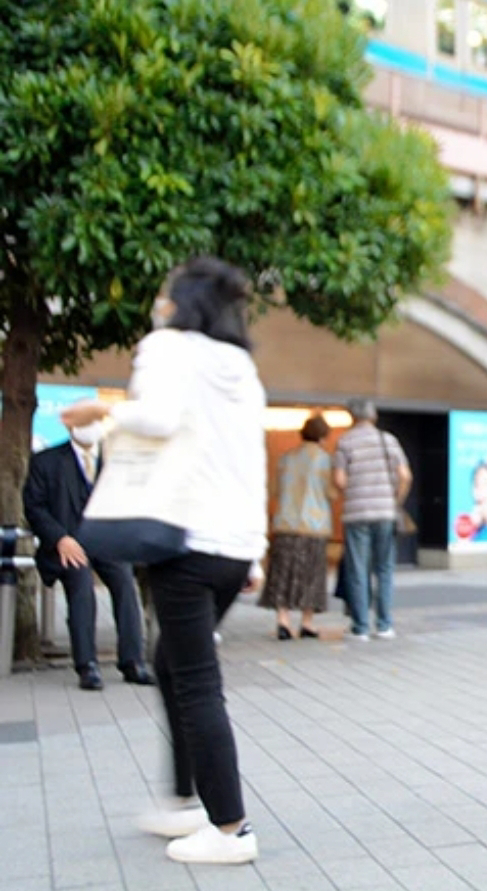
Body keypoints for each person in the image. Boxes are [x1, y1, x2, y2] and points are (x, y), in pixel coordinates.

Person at [62, 256, 266, 865]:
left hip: (187, 539)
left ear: (181, 303)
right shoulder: (239, 366)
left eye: (165, 295)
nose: (160, 304)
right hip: (233, 547)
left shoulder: (168, 347)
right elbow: (249, 459)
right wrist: (256, 550)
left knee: (196, 680)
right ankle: (185, 802)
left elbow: (157, 417)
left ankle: (230, 829)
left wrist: (102, 412)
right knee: (172, 665)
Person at [23, 424, 153, 691]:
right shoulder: (47, 461)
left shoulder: (113, 460)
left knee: (125, 584)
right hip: (68, 543)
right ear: (70, 426)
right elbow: (34, 507)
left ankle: (133, 661)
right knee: (81, 586)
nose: (89, 429)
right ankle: (87, 665)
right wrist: (60, 538)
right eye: (83, 423)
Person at [334, 399, 412, 641]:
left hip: (356, 513)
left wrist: (354, 490)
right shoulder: (389, 440)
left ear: (352, 416)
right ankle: (384, 625)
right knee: (385, 569)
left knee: (358, 569)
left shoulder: (345, 442)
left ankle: (360, 627)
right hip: (385, 512)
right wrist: (395, 500)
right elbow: (405, 476)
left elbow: (339, 480)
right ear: (373, 416)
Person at [259, 413, 336, 640]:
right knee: (311, 574)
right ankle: (307, 622)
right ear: (323, 436)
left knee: (284, 573)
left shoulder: (286, 459)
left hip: (285, 522)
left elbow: (274, 490)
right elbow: (331, 492)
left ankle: (283, 621)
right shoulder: (325, 460)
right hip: (314, 524)